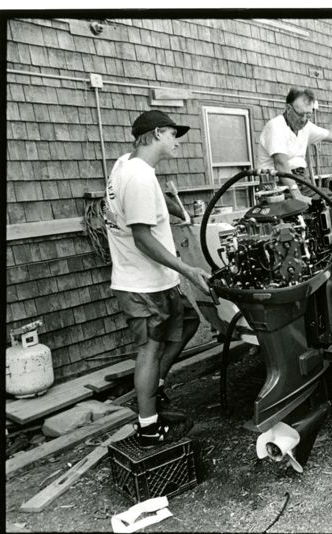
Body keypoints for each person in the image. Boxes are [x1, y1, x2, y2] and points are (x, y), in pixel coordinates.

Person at [104, 110, 211, 448]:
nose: (176, 142)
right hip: (142, 284)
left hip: (157, 280)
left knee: (189, 321)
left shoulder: (128, 164)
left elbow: (149, 198)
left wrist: (176, 211)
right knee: (149, 350)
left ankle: (156, 387)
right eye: (172, 134)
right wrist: (188, 270)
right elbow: (142, 238)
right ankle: (149, 427)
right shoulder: (137, 177)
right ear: (156, 134)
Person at [257, 87, 332, 245]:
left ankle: (330, 254)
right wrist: (297, 194)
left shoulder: (305, 126)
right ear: (288, 108)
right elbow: (280, 163)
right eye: (301, 114)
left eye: (309, 114)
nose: (304, 119)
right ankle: (331, 254)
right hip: (279, 187)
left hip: (301, 181)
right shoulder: (276, 126)